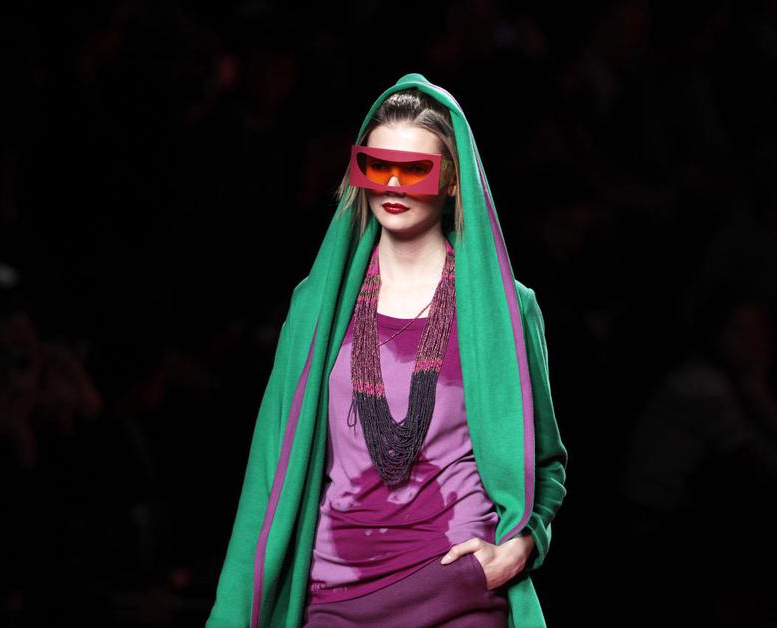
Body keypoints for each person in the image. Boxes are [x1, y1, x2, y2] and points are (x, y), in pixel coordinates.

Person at [207, 73, 568, 628]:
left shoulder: (506, 311)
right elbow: (268, 469)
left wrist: (521, 546)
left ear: (454, 181)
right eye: (376, 166)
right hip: (334, 592)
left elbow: (545, 461)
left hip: (458, 588)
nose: (393, 183)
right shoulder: (316, 308)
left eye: (415, 168)